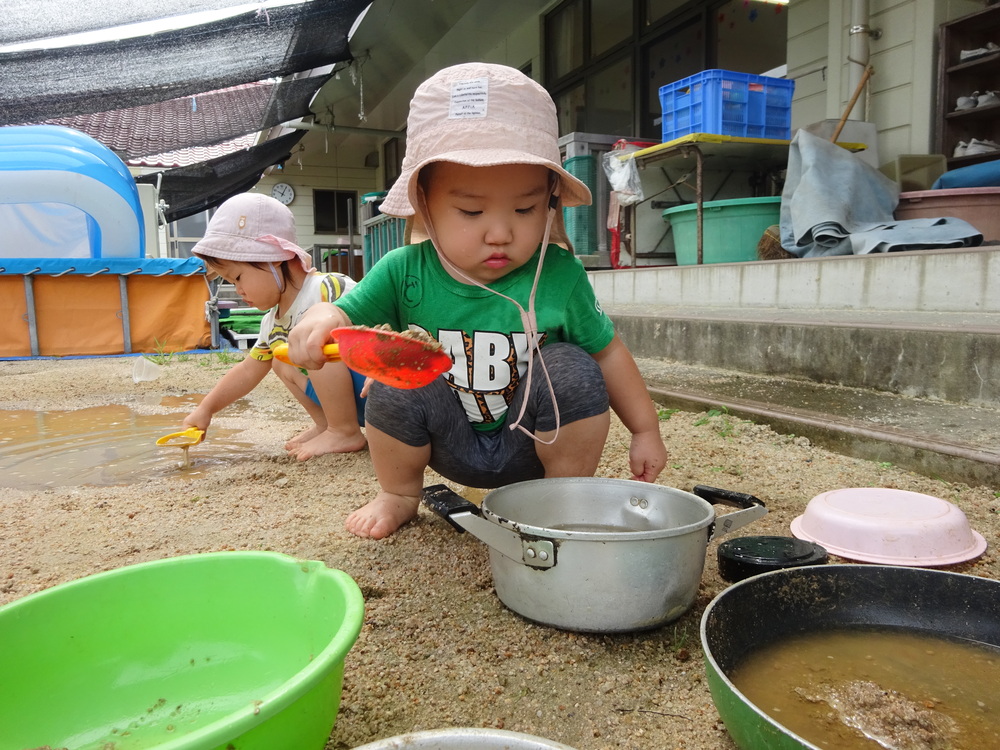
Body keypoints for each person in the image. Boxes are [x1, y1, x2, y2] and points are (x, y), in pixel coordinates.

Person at [288, 62, 668, 538]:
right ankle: (399, 493)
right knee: (392, 380)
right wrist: (320, 316)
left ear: (550, 200)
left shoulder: (559, 274)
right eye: (471, 210)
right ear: (425, 202)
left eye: (525, 208)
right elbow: (343, 310)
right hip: (449, 442)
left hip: (531, 445)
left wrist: (645, 430)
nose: (500, 232)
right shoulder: (405, 269)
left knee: (573, 365)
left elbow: (609, 353)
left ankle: (562, 496)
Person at [183, 192, 367, 460]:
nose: (239, 290)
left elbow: (382, 325)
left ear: (275, 257)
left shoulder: (329, 288)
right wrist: (206, 409)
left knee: (316, 342)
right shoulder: (273, 322)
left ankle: (344, 430)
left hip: (379, 392)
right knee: (281, 360)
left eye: (238, 277)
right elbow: (248, 371)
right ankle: (328, 425)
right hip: (354, 401)